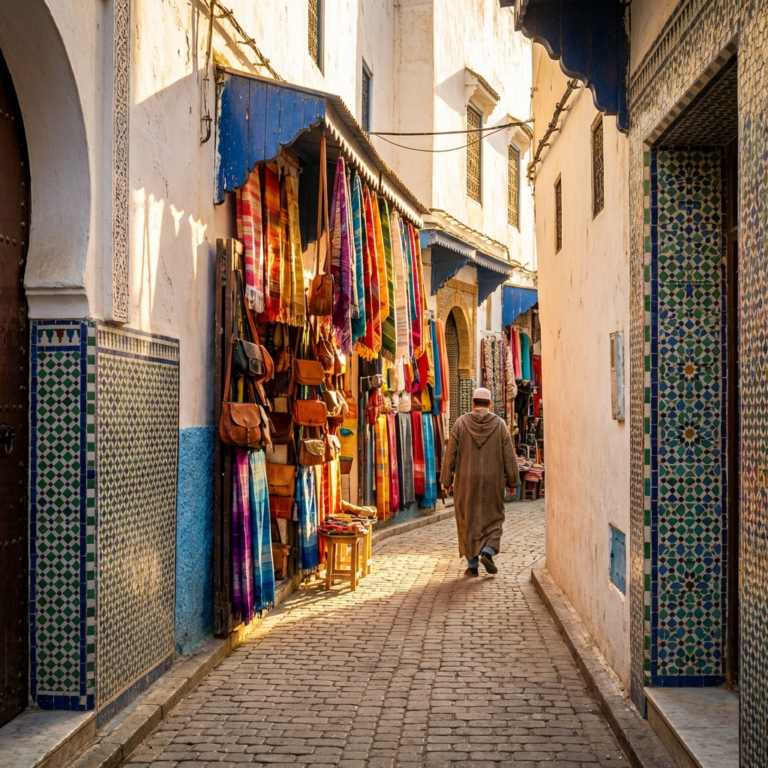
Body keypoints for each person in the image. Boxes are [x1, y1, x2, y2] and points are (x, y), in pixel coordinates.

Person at [440, 387, 520, 576]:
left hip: (466, 482)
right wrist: (512, 482)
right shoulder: (499, 425)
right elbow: (509, 455)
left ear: (473, 403)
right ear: (490, 404)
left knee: (467, 519)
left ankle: (472, 565)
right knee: (494, 518)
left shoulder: (460, 424)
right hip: (492, 481)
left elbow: (450, 454)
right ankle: (488, 550)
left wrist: (446, 481)